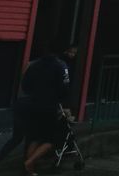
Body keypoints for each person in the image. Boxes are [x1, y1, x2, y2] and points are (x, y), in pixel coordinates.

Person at [22, 41, 77, 173]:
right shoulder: (61, 66)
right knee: (50, 139)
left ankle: (29, 168)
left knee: (34, 137)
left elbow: (25, 86)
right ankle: (29, 162)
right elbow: (65, 88)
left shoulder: (35, 64)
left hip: (33, 103)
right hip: (49, 105)